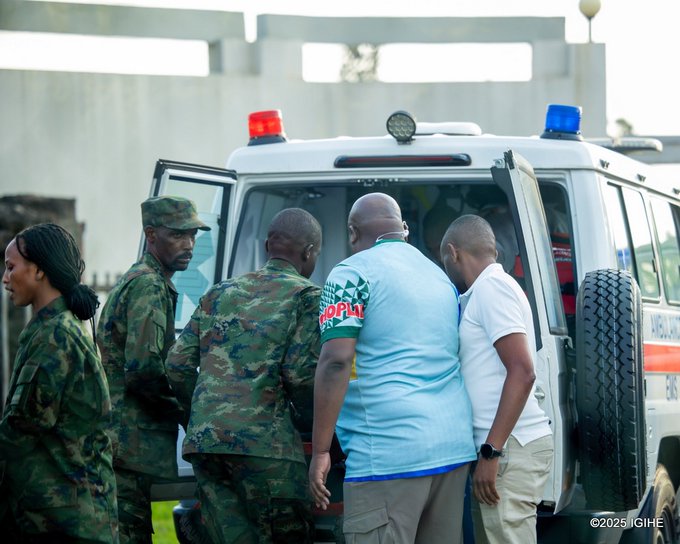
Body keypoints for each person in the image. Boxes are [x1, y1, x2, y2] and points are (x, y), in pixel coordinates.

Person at [309, 192, 476, 544]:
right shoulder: (439, 277)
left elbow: (337, 360)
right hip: (452, 448)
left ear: (353, 233)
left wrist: (321, 450)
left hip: (387, 455)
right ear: (404, 229)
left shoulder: (350, 275)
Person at [166, 208, 322, 543]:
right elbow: (300, 375)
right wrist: (313, 424)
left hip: (208, 446)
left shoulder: (218, 292)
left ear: (268, 245)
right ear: (309, 253)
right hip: (267, 449)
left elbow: (176, 364)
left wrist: (205, 413)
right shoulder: (307, 297)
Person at [97, 195, 210, 543]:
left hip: (126, 441)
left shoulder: (146, 279)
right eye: (178, 235)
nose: (189, 245)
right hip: (129, 444)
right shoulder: (149, 284)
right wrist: (186, 415)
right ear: (151, 234)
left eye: (193, 235)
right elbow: (144, 370)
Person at [0, 223, 118, 542]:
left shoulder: (54, 337)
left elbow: (21, 431)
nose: (5, 279)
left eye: (11, 267)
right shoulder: (50, 330)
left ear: (38, 270)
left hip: (68, 522)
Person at [439, 214, 553, 544]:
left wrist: (492, 452)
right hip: (505, 448)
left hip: (509, 449)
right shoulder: (487, 290)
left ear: (453, 252)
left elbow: (523, 370)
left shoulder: (492, 289)